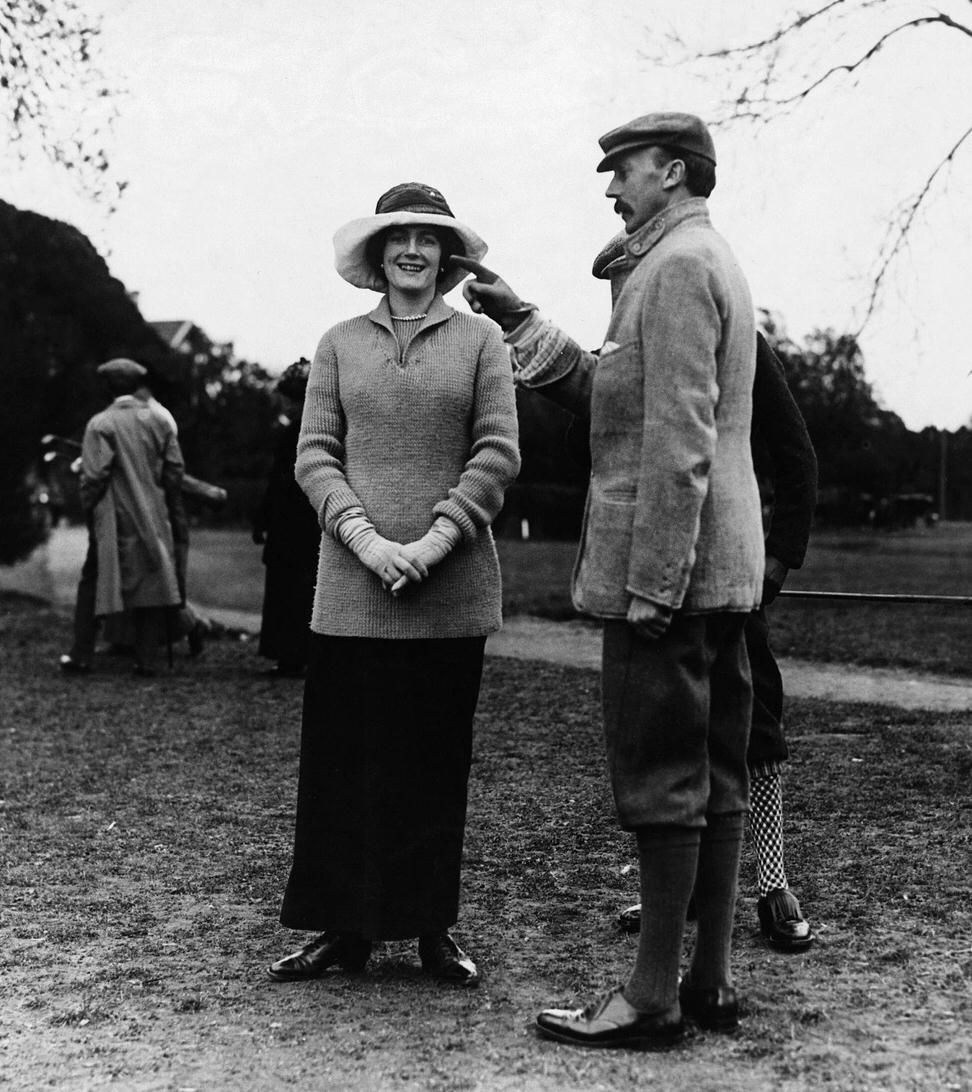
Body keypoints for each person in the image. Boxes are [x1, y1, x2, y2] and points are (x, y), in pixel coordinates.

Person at [463, 113, 764, 1046]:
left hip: (669, 570)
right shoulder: (702, 260)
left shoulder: (673, 270)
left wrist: (656, 581)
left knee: (659, 779)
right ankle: (707, 980)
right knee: (713, 775)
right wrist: (520, 319)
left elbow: (675, 445)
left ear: (671, 172)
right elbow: (615, 396)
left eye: (623, 171)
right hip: (722, 567)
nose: (610, 189)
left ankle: (648, 998)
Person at [268, 182, 520, 987]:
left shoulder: (482, 343)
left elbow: (497, 453)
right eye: (398, 236)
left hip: (449, 593)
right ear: (377, 255)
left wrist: (438, 538)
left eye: (429, 237)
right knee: (344, 764)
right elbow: (314, 454)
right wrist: (367, 542)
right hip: (351, 588)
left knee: (431, 764)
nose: (413, 249)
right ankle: (343, 931)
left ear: (449, 256)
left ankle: (429, 929)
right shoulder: (338, 343)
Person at [612, 316, 819, 953]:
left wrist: (777, 559)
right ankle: (688, 889)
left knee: (751, 724)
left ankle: (774, 885)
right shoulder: (626, 344)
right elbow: (594, 446)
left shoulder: (738, 338)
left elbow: (796, 454)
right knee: (671, 728)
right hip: (650, 572)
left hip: (728, 565)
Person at [76, 357, 188, 678]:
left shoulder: (101, 423)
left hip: (115, 517)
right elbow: (175, 470)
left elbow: (95, 476)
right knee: (152, 582)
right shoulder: (160, 420)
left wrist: (87, 505)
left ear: (108, 386)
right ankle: (146, 658)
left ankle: (81, 654)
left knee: (93, 579)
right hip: (153, 514)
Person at [251, 358, 320, 678]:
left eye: (291, 399)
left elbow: (277, 482)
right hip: (295, 525)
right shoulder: (304, 431)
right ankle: (295, 654)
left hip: (298, 525)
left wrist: (264, 517)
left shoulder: (302, 432)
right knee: (293, 590)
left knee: (294, 591)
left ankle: (293, 654)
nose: (286, 405)